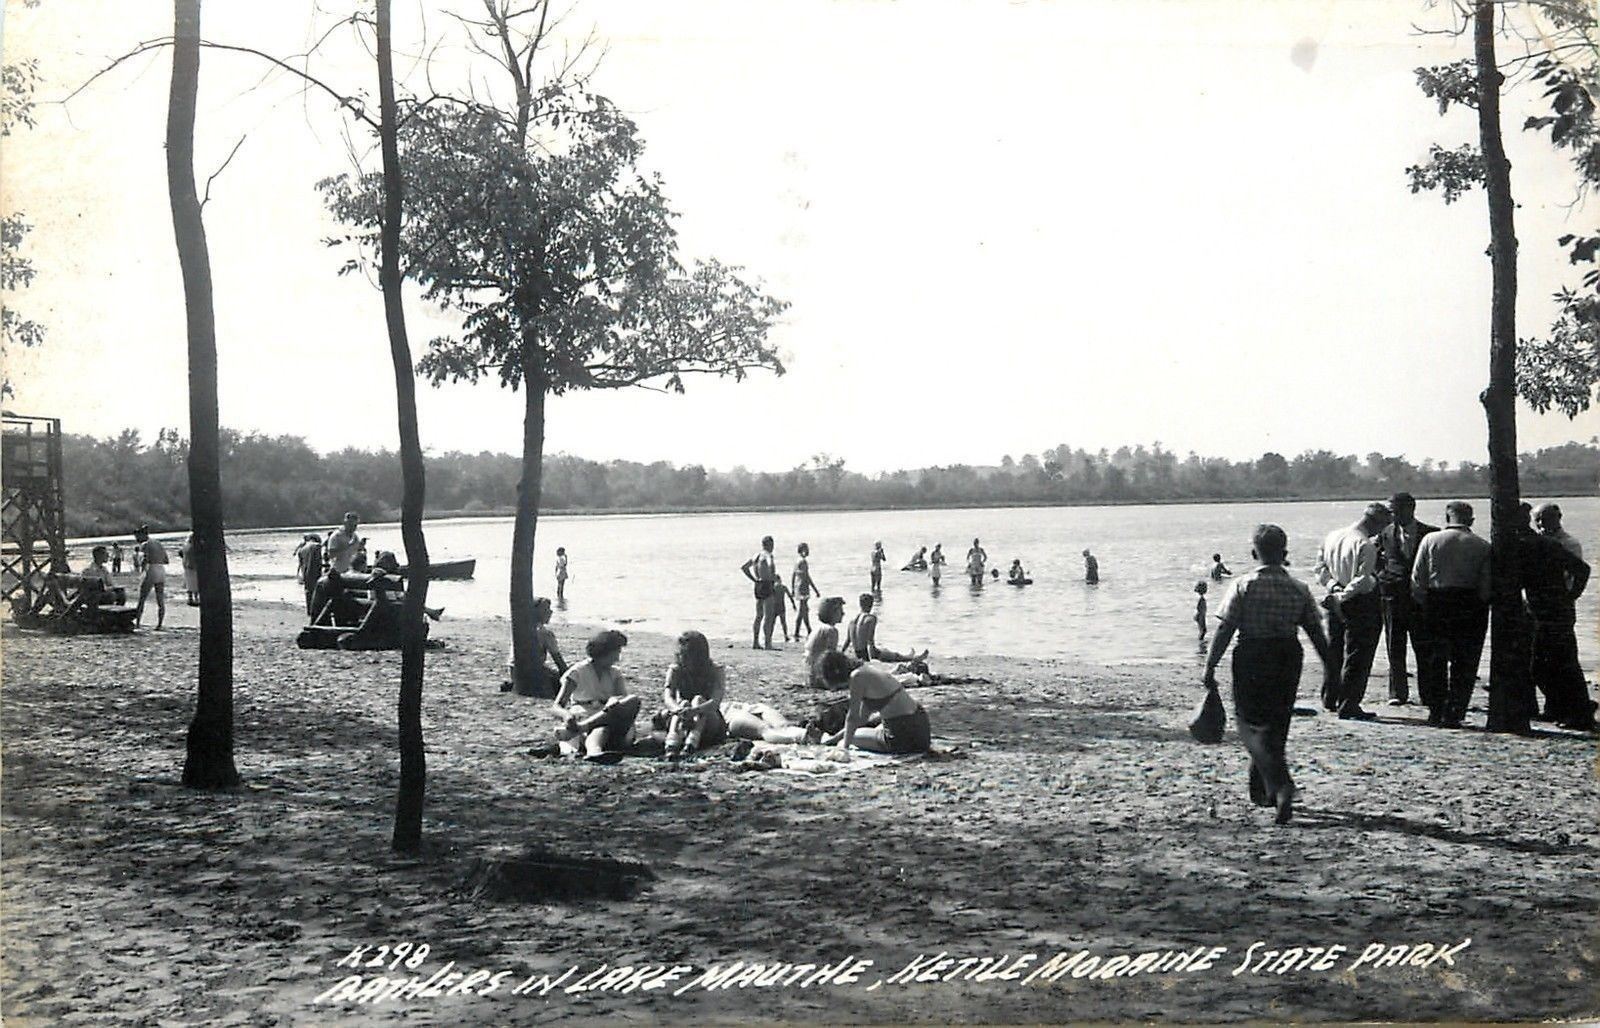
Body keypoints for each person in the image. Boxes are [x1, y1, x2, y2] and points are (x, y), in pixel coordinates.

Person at [1203, 524, 1333, 825]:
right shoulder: (1298, 588)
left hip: (1252, 654)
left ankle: (1282, 785)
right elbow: (1316, 631)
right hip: (1287, 655)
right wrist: (1330, 668)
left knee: (1248, 725)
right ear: (1285, 554)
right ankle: (1262, 790)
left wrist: (1210, 666)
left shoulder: (1243, 585)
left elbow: (1225, 628)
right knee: (1276, 723)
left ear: (1253, 553)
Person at [1410, 501, 1491, 729]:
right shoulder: (1482, 545)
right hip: (1469, 603)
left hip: (1437, 600)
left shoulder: (1430, 540)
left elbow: (1418, 578)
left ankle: (1436, 710)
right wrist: (1480, 604)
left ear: (1447, 518)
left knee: (1436, 659)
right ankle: (1455, 711)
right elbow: (1486, 585)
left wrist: (1425, 603)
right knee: (1464, 661)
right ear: (1471, 520)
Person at [1516, 505, 1593, 731]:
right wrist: (1570, 596)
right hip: (1552, 610)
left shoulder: (1538, 545)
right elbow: (1583, 570)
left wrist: (1571, 595)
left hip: (1550, 612)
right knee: (1562, 663)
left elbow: (1582, 570)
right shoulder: (1546, 544)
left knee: (1545, 666)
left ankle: (1576, 710)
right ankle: (1574, 710)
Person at [1313, 501, 1392, 721]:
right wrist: (1342, 594)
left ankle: (1330, 696)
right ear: (1376, 523)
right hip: (1360, 602)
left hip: (1336, 596)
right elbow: (1362, 579)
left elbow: (1320, 569)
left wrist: (1333, 588)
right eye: (1384, 524)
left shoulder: (1333, 536)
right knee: (1358, 653)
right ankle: (1349, 702)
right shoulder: (1365, 544)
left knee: (1335, 648)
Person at [1374, 492, 1437, 707]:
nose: (1393, 515)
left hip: (1420, 600)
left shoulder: (1430, 534)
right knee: (1395, 646)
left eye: (1396, 510)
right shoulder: (1386, 533)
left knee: (1424, 647)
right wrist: (1383, 578)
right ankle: (1397, 693)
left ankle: (1429, 693)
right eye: (1391, 511)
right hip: (1392, 597)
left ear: (1411, 508)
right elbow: (1376, 559)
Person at [817, 650, 933, 755]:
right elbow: (862, 719)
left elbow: (852, 718)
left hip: (902, 736)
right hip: (921, 730)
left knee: (853, 737)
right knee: (867, 729)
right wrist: (834, 738)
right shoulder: (867, 670)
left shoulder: (856, 677)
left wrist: (844, 748)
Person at [553, 630, 640, 760]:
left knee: (633, 700)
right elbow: (557, 705)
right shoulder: (577, 672)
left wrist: (614, 700)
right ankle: (593, 751)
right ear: (604, 652)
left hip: (607, 714)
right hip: (584, 713)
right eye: (616, 652)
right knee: (601, 728)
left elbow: (622, 698)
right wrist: (567, 716)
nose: (617, 658)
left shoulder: (615, 673)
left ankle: (582, 730)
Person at [661, 630, 729, 759]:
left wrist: (695, 710)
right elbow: (668, 695)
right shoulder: (676, 669)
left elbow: (715, 701)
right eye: (681, 655)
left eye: (688, 655)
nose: (684, 659)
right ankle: (672, 742)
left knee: (698, 699)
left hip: (708, 719)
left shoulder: (715, 670)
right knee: (683, 703)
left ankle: (692, 741)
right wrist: (678, 709)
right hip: (682, 718)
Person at [846, 593, 927, 665]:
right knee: (893, 656)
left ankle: (909, 656)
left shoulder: (852, 620)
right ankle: (913, 658)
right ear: (871, 604)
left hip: (857, 653)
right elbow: (870, 640)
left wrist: (841, 654)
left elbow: (848, 640)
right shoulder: (871, 618)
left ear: (860, 604)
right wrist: (872, 658)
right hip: (866, 653)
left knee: (884, 650)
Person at [740, 536, 781, 650]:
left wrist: (754, 579)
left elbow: (744, 568)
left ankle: (755, 642)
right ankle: (768, 644)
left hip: (758, 585)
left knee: (759, 615)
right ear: (769, 545)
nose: (773, 547)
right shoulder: (767, 554)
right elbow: (769, 563)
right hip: (767, 584)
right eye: (772, 545)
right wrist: (773, 576)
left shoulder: (755, 556)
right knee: (769, 616)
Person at [805, 596, 848, 686]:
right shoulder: (831, 630)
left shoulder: (818, 628)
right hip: (820, 676)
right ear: (832, 613)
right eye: (840, 611)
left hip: (810, 673)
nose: (843, 613)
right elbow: (831, 658)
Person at [132, 526, 168, 629]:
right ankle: (160, 624)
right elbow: (166, 560)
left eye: (137, 536)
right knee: (160, 599)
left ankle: (138, 623)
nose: (136, 539)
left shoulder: (145, 544)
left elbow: (145, 559)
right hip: (161, 569)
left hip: (151, 569)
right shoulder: (158, 543)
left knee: (142, 598)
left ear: (142, 535)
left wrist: (140, 572)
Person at [792, 543, 820, 637]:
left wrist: (792, 588)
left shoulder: (797, 561)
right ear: (803, 550)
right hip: (803, 587)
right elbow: (806, 577)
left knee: (803, 610)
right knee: (803, 610)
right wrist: (815, 589)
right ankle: (807, 630)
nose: (808, 551)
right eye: (806, 549)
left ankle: (800, 631)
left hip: (798, 586)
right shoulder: (803, 561)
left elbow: (793, 575)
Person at [294, 534, 324, 615]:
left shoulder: (302, 549)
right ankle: (316, 610)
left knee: (308, 591)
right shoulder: (316, 546)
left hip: (306, 573)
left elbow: (301, 564)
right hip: (314, 572)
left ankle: (309, 610)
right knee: (318, 592)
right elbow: (318, 561)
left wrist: (300, 575)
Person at [772, 579, 796, 643]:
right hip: (781, 606)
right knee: (783, 622)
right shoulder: (783, 587)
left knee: (772, 622)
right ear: (780, 580)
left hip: (774, 607)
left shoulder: (772, 587)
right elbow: (790, 596)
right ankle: (786, 636)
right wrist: (793, 604)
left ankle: (769, 636)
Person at [180, 531, 200, 606]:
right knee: (195, 583)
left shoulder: (185, 546)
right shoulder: (194, 546)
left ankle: (190, 598)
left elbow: (180, 553)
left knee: (189, 583)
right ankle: (196, 599)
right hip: (194, 566)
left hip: (186, 566)